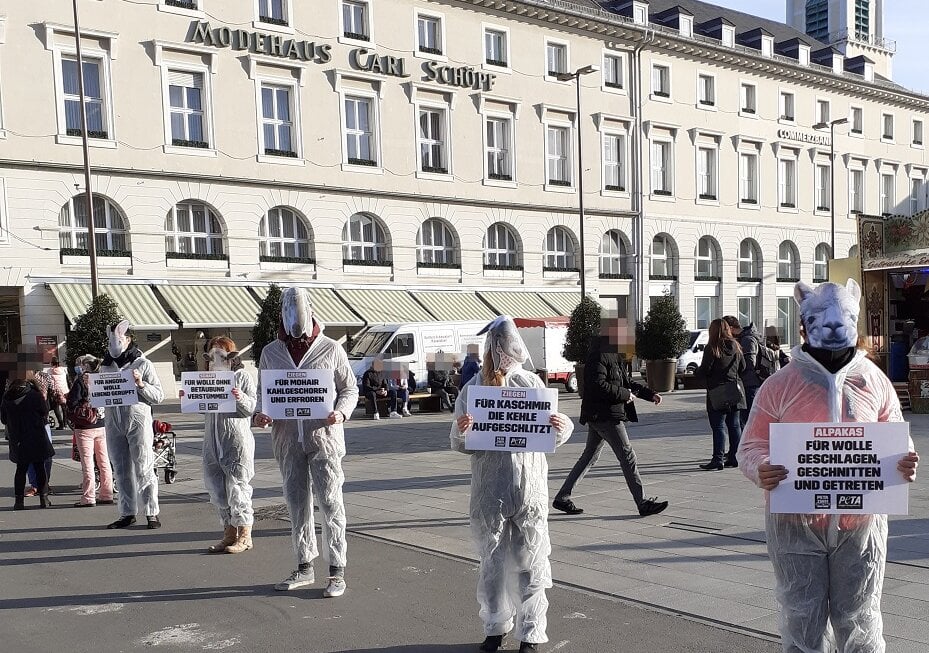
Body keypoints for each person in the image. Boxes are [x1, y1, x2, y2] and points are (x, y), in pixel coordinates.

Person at [738, 280, 920, 653]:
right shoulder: (780, 385)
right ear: (803, 324)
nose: (835, 325)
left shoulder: (874, 382)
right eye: (819, 318)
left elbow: (895, 435)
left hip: (860, 524)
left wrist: (904, 461)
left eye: (844, 317)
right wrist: (761, 466)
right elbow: (751, 445)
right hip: (796, 525)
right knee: (801, 616)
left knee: (861, 615)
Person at [451, 315, 574, 653]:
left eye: (509, 347)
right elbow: (458, 442)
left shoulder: (532, 384)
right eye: (500, 348)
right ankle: (495, 627)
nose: (505, 354)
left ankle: (531, 633)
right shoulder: (473, 389)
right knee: (491, 564)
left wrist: (561, 426)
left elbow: (551, 434)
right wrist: (464, 430)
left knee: (532, 563)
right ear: (491, 349)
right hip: (490, 492)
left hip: (529, 490)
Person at [253, 287, 358, 598]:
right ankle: (304, 565)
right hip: (287, 440)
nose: (295, 336)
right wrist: (261, 414)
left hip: (323, 438)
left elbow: (349, 388)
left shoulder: (330, 349)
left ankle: (337, 570)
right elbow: (263, 392)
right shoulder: (271, 352)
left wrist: (340, 413)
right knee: (297, 505)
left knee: (330, 503)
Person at [552, 319, 669, 517]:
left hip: (603, 414)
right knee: (627, 456)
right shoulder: (598, 355)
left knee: (590, 456)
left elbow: (626, 381)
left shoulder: (614, 355)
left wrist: (649, 394)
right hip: (605, 415)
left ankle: (562, 497)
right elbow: (598, 385)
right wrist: (625, 394)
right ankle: (642, 503)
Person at [102, 320, 165, 530]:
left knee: (144, 466)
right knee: (120, 469)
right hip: (113, 422)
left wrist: (140, 384)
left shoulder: (142, 363)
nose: (115, 344)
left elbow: (158, 395)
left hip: (137, 421)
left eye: (119, 339)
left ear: (128, 340)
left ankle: (151, 512)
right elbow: (101, 395)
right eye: (112, 340)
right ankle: (127, 512)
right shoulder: (105, 365)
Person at [199, 337, 257, 554]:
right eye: (212, 354)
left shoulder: (241, 376)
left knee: (238, 488)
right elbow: (206, 408)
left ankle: (245, 536)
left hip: (235, 441)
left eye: (221, 354)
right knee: (218, 489)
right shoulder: (208, 379)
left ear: (231, 356)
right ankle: (228, 533)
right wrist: (191, 398)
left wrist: (239, 396)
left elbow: (251, 407)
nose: (216, 358)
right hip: (212, 442)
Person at [697, 318, 746, 471]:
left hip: (717, 392)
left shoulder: (712, 348)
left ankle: (718, 459)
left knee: (718, 427)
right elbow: (743, 367)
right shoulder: (736, 346)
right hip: (735, 391)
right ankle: (735, 457)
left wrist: (697, 373)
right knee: (735, 425)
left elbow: (705, 369)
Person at [68, 355, 114, 507]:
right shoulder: (103, 378)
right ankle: (107, 494)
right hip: (102, 425)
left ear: (85, 366)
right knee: (104, 461)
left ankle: (88, 497)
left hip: (84, 427)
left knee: (87, 463)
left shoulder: (81, 380)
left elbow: (72, 403)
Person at [2, 379, 55, 509]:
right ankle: (44, 498)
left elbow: (3, 419)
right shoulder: (34, 395)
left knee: (21, 470)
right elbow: (44, 411)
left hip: (18, 438)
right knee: (39, 467)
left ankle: (19, 502)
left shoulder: (7, 397)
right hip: (36, 435)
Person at [722, 316, 763, 428]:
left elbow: (750, 362)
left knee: (748, 419)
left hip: (750, 383)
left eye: (725, 329)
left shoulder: (747, 339)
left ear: (731, 328)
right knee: (744, 419)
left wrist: (736, 368)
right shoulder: (743, 338)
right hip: (748, 382)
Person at [48, 358, 69, 429]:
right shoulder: (63, 370)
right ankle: (65, 424)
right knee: (64, 408)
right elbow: (67, 379)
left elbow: (49, 382)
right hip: (65, 390)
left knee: (56, 408)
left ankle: (61, 424)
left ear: (52, 363)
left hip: (56, 392)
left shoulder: (50, 371)